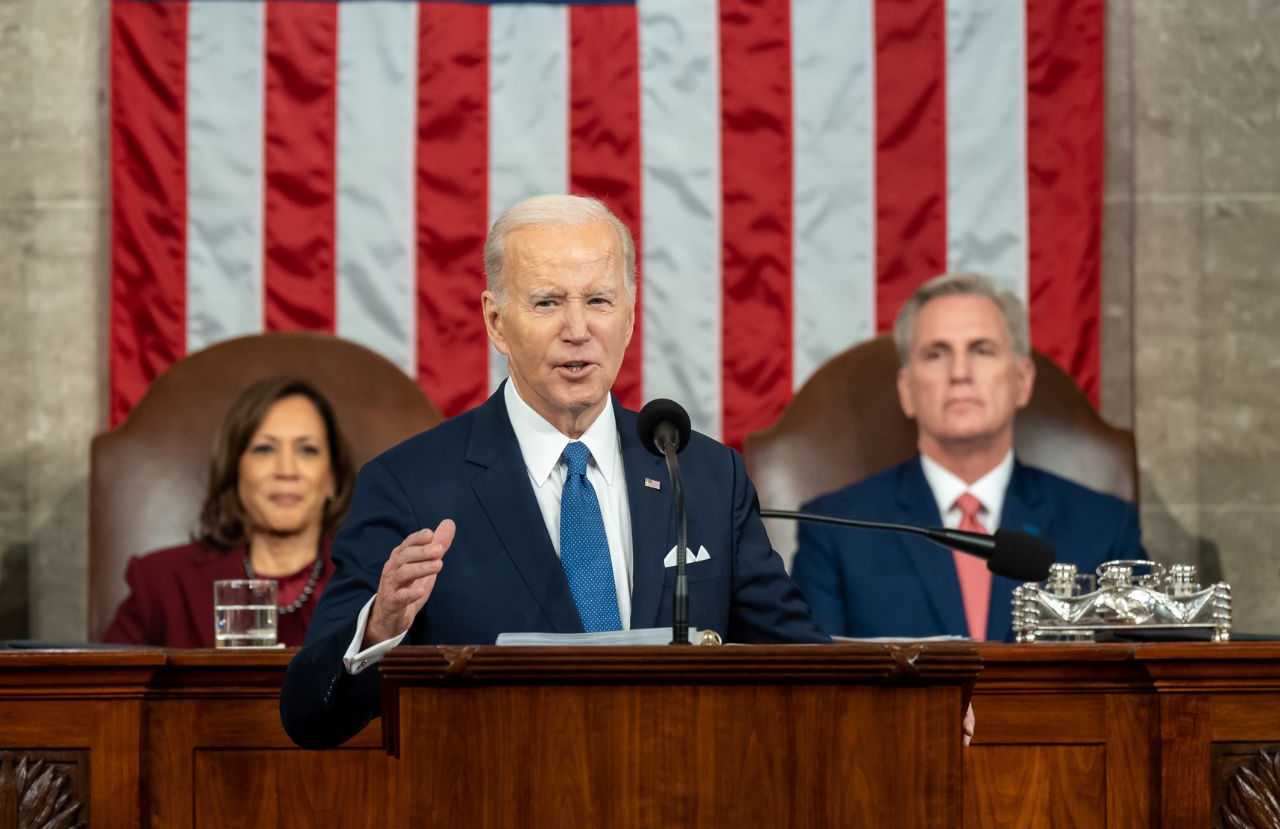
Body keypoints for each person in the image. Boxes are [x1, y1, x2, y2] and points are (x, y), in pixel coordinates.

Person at [281, 194, 829, 749]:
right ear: (497, 321)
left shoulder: (705, 475)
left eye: (598, 300)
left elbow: (811, 670)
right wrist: (380, 628)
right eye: (547, 303)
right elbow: (311, 718)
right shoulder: (410, 487)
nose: (577, 329)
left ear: (631, 316)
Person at [791, 273, 1147, 641]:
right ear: (906, 390)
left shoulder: (1105, 528)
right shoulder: (834, 529)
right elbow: (818, 689)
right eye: (935, 354)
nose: (959, 374)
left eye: (982, 350)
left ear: (1022, 380)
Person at [102, 378, 355, 647]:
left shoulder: (371, 585)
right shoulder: (161, 583)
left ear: (333, 477)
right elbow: (107, 685)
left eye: (308, 450)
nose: (286, 470)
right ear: (235, 471)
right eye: (264, 448)